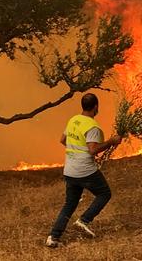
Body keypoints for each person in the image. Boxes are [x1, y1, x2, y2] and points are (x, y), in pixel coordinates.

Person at [45, 93, 122, 248]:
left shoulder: (73, 120)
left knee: (70, 204)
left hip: (70, 169)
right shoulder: (92, 126)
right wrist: (112, 141)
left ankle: (53, 237)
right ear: (96, 107)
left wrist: (75, 151)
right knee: (104, 193)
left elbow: (62, 140)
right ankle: (84, 220)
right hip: (84, 170)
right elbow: (93, 150)